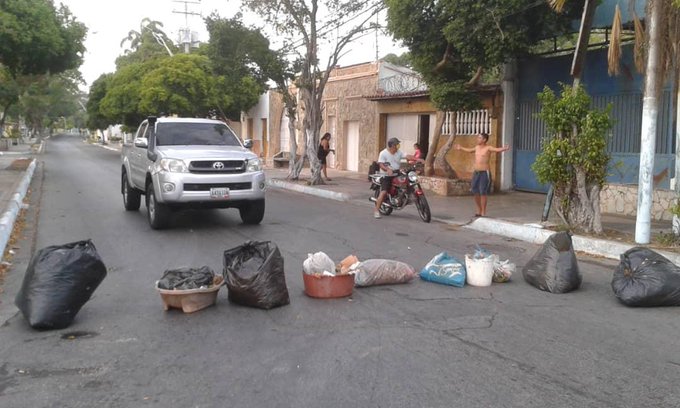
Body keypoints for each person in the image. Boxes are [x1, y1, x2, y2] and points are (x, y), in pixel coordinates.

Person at [454, 133, 510, 218]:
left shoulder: (488, 148)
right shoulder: (476, 147)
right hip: (476, 173)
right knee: (475, 191)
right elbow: (469, 150)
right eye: (478, 137)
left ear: (484, 140)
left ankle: (483, 211)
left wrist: (504, 148)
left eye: (479, 138)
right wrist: (461, 148)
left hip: (484, 173)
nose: (478, 139)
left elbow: (496, 149)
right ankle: (479, 210)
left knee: (483, 192)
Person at [374, 137, 424, 219]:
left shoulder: (398, 152)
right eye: (396, 145)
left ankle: (405, 196)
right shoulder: (383, 153)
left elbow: (407, 156)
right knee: (383, 192)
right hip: (386, 175)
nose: (398, 146)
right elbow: (381, 164)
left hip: (397, 172)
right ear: (392, 146)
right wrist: (387, 169)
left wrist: (418, 159)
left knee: (407, 181)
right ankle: (376, 210)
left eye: (398, 145)